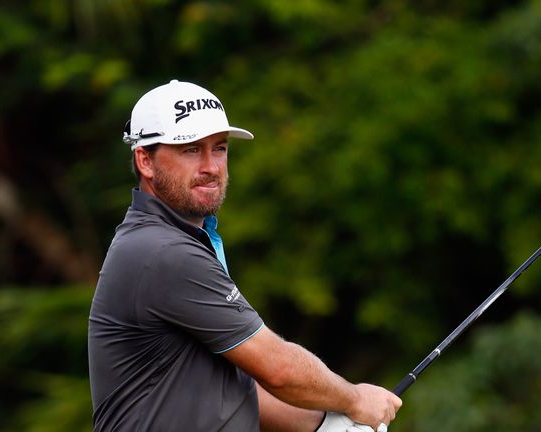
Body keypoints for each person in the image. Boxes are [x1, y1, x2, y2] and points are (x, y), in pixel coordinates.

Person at [88, 80, 402, 432]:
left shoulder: (176, 240)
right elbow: (279, 369)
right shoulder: (163, 251)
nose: (211, 166)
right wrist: (356, 399)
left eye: (219, 148)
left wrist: (329, 424)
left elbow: (237, 389)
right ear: (145, 160)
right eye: (191, 150)